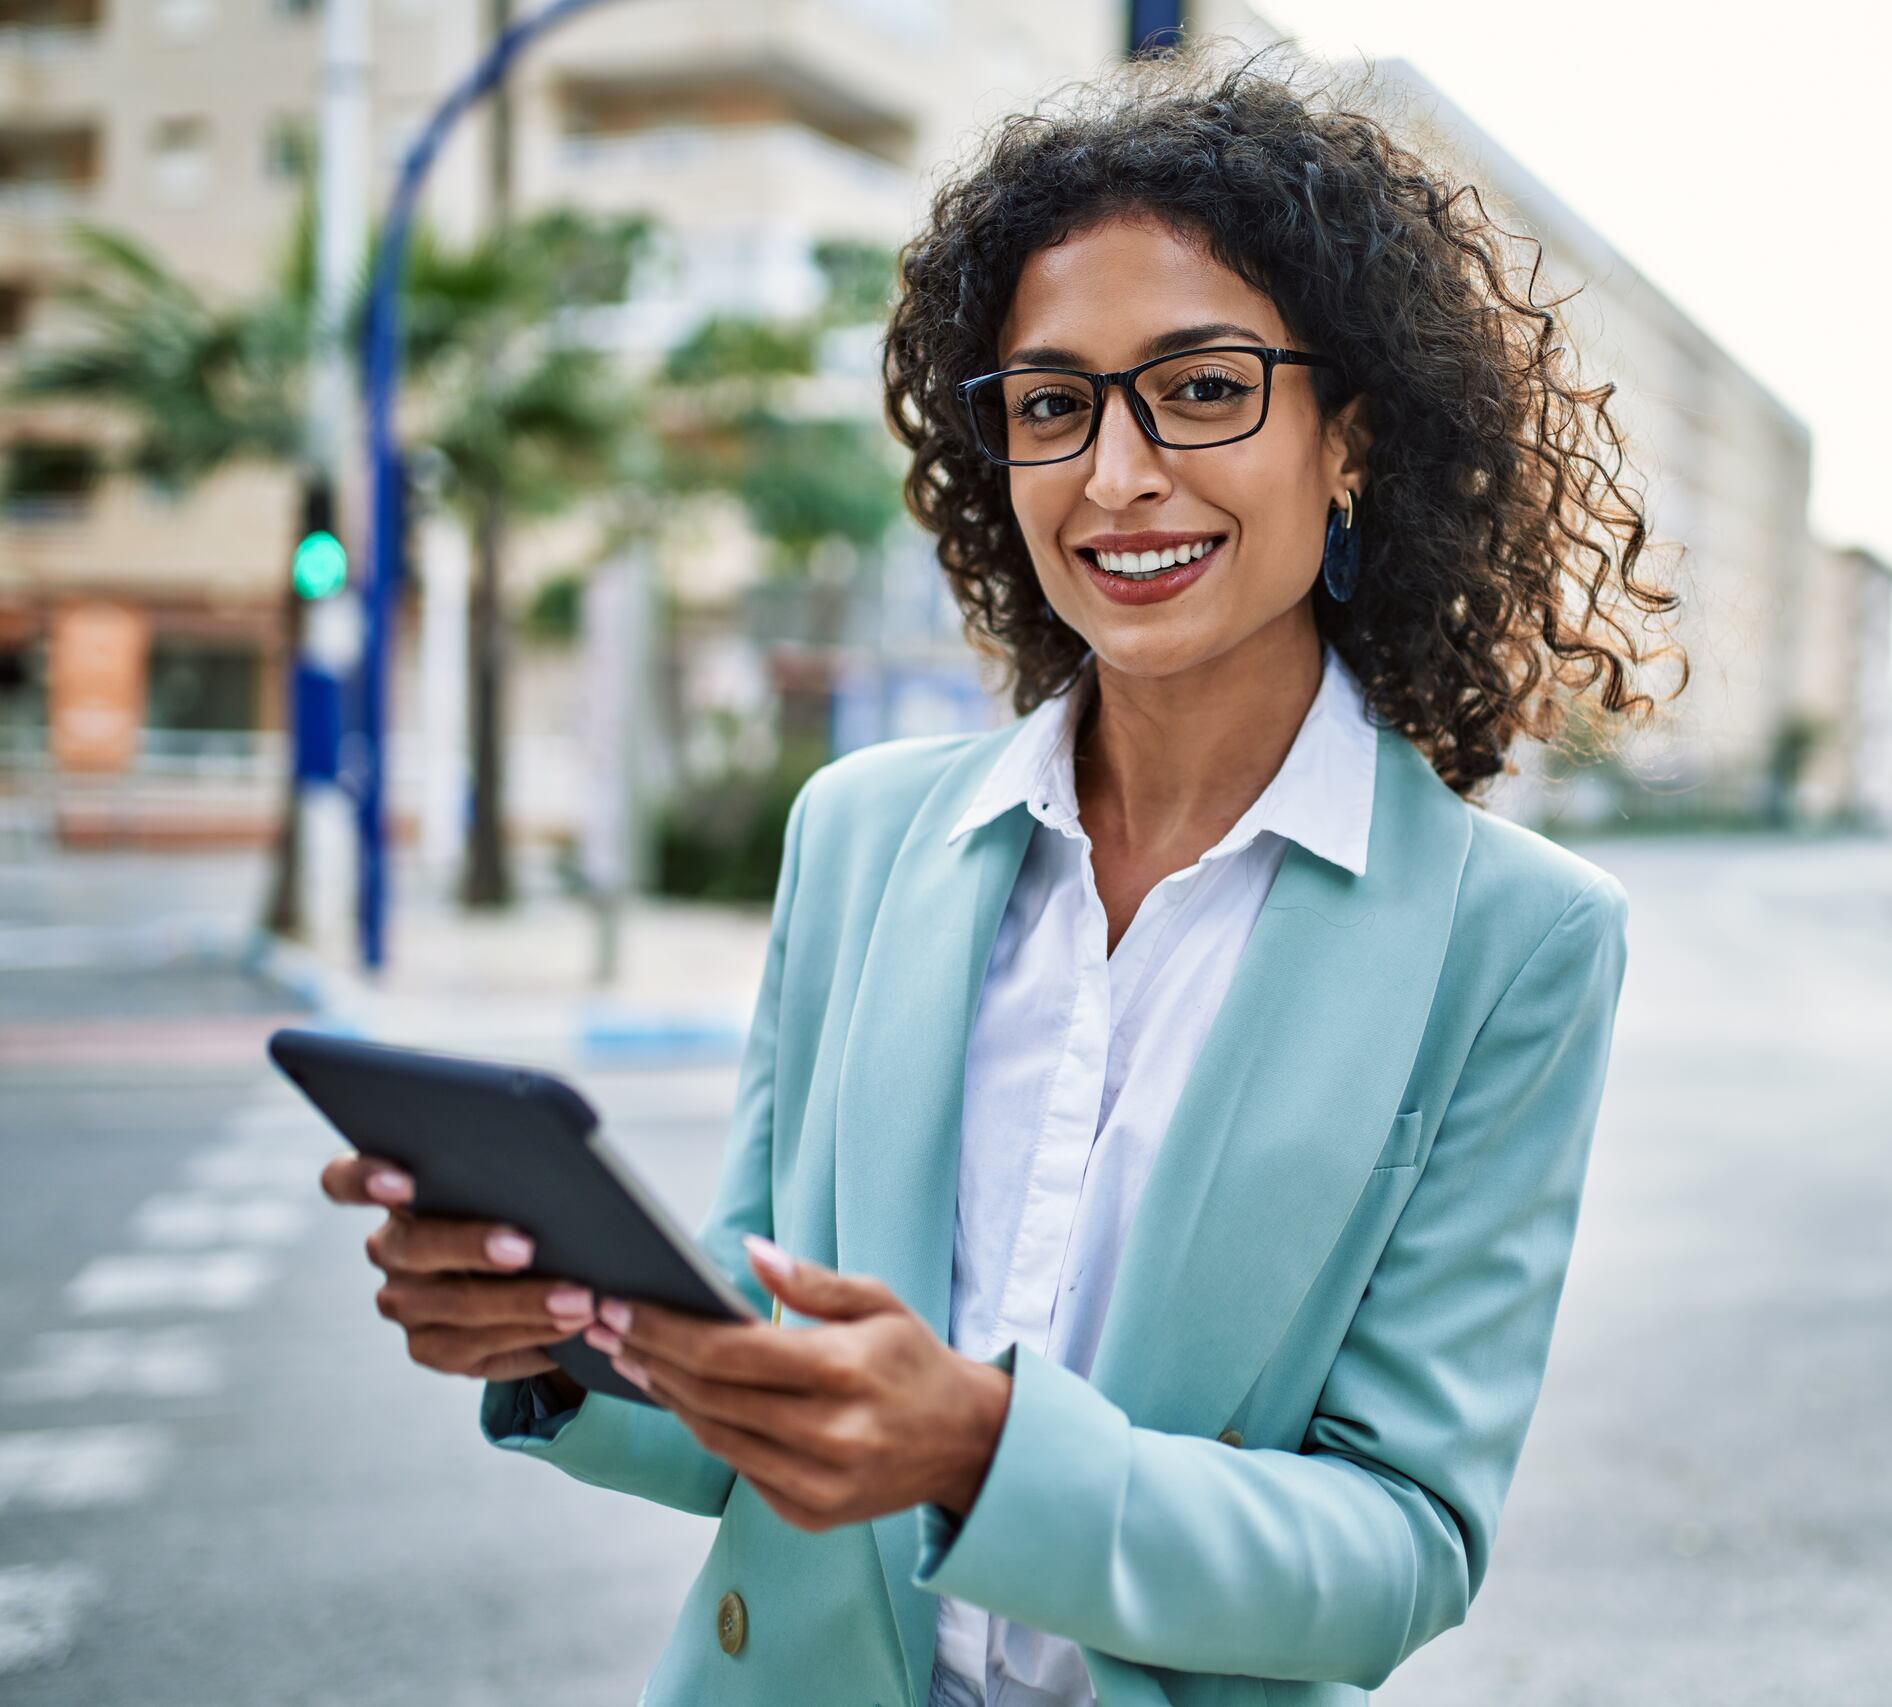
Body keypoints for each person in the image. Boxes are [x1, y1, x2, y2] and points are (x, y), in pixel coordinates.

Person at [318, 47, 1683, 1707]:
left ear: (1354, 440)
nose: (1116, 475)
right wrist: (559, 1340)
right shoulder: (860, 837)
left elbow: (1399, 1549)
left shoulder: (1513, 941)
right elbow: (756, 1407)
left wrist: (983, 1453)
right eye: (1053, 404)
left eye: (1201, 388)